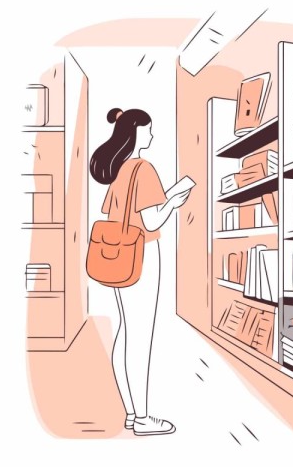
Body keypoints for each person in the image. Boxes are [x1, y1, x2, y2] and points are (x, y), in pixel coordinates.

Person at [89, 108, 190, 436]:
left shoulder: (119, 171)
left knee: (126, 333)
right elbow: (149, 222)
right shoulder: (143, 169)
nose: (152, 135)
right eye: (148, 130)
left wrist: (163, 202)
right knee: (140, 337)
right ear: (135, 133)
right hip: (141, 255)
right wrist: (173, 203)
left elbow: (116, 212)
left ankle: (132, 412)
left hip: (119, 256)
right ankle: (144, 418)